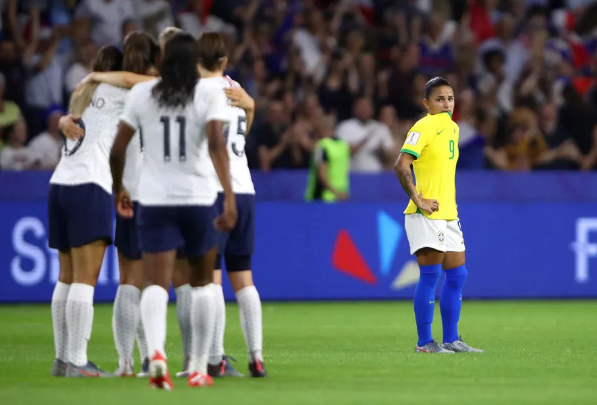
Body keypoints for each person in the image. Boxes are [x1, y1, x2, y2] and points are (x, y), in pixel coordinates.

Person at [110, 32, 237, 389]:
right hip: (198, 198)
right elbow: (216, 145)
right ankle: (198, 366)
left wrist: (120, 187)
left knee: (154, 283)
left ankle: (156, 355)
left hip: (155, 200)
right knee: (201, 285)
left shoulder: (142, 94)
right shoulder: (208, 92)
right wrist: (229, 196)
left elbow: (118, 149)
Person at [49, 45, 126, 378]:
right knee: (86, 278)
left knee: (66, 276)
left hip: (60, 183)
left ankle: (62, 359)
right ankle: (78, 361)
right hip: (90, 184)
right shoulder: (118, 90)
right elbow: (150, 81)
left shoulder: (82, 90)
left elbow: (68, 121)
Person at [394, 77, 483, 354]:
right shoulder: (423, 126)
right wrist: (418, 199)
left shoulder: (454, 128)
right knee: (430, 276)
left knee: (458, 275)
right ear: (426, 103)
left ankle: (451, 339)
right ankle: (424, 343)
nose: (446, 104)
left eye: (450, 98)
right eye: (439, 99)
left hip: (448, 213)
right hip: (426, 213)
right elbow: (401, 164)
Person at [196, 32, 267, 378]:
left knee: (210, 279)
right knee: (244, 277)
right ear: (224, 61)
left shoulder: (197, 92)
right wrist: (250, 105)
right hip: (246, 187)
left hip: (214, 190)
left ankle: (215, 358)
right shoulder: (235, 87)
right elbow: (243, 131)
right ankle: (256, 357)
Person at [304, 115, 351, 202]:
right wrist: (340, 194)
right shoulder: (343, 145)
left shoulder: (322, 146)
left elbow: (322, 175)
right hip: (342, 197)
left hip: (322, 199)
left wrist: (335, 193)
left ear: (321, 130)